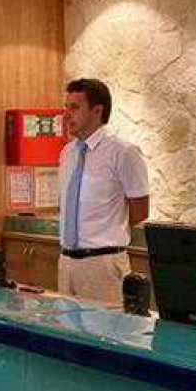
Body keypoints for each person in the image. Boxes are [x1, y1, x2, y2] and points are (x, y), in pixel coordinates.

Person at [58, 78, 149, 305]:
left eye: (74, 107)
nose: (66, 115)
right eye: (66, 107)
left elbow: (140, 209)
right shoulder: (67, 153)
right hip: (66, 263)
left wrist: (109, 231)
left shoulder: (123, 152)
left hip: (103, 264)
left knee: (106, 327)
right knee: (65, 327)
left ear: (97, 111)